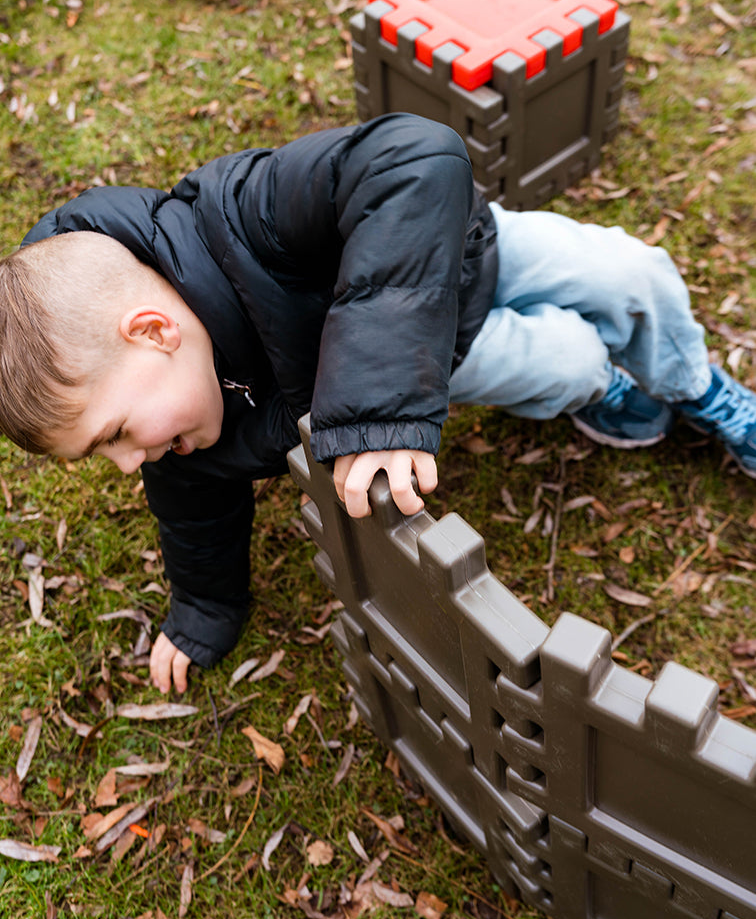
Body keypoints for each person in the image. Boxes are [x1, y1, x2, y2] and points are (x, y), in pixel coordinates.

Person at [0, 114, 753, 695]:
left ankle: (699, 389)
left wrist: (375, 405)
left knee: (630, 274)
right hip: (450, 355)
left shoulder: (238, 212)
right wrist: (201, 612)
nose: (131, 461)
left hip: (466, 250)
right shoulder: (186, 443)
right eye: (104, 453)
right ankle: (609, 390)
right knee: (569, 363)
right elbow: (196, 527)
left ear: (155, 332)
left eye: (118, 433)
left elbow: (414, 156)